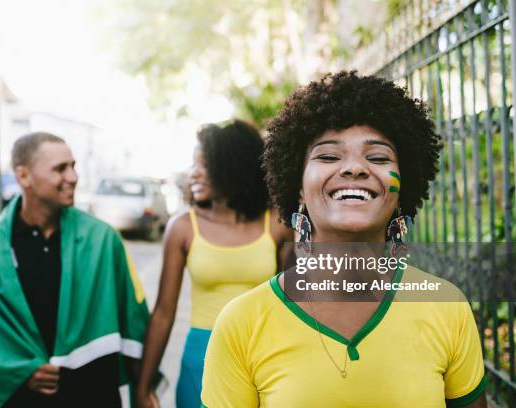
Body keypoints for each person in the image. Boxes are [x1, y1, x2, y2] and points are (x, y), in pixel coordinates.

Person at [201, 72, 487, 407]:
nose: (354, 168)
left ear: (402, 187)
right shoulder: (243, 322)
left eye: (378, 157)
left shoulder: (446, 306)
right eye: (329, 156)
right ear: (298, 187)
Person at [0, 132, 150, 407]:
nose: (73, 177)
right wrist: (22, 371)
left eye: (73, 166)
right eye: (60, 169)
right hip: (22, 400)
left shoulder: (103, 240)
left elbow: (134, 319)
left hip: (92, 395)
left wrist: (143, 388)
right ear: (24, 176)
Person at [136, 120, 293, 408]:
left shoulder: (278, 224)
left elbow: (295, 302)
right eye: (192, 165)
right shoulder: (182, 227)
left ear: (232, 166)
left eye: (203, 165)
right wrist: (143, 388)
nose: (193, 174)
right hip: (200, 356)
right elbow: (163, 312)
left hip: (262, 356)